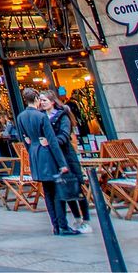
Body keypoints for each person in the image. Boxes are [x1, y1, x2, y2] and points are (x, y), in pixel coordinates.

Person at [16, 87, 76, 236]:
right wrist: (62, 163)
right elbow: (52, 142)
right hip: (48, 155)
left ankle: (55, 226)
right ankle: (63, 226)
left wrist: (31, 151)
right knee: (57, 192)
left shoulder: (20, 117)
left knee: (48, 192)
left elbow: (25, 140)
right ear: (36, 99)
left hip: (35, 155)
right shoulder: (41, 116)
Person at [45, 89, 91, 234]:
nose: (42, 103)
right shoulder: (43, 117)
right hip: (54, 157)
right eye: (41, 100)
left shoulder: (62, 116)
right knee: (65, 188)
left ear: (52, 101)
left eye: (44, 100)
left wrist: (50, 142)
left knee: (76, 187)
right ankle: (77, 218)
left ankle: (86, 220)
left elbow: (65, 135)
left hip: (67, 156)